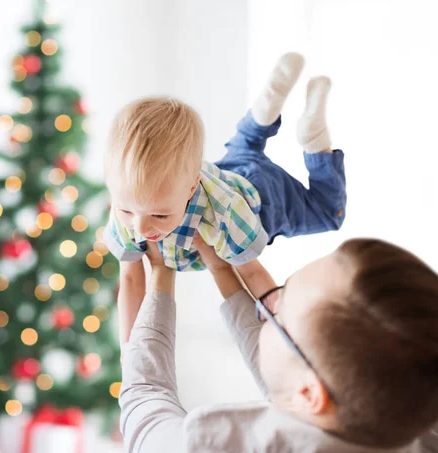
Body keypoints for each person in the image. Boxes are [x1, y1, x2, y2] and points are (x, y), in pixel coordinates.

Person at [118, 236, 438, 453]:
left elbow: (144, 398)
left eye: (278, 312)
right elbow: (303, 369)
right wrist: (223, 270)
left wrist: (159, 273)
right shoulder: (435, 438)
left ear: (309, 392)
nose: (267, 306)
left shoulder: (215, 450)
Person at [103, 52, 346, 344]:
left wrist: (283, 329)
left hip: (266, 201)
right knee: (243, 147)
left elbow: (253, 274)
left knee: (327, 214)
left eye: (159, 215)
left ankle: (315, 140)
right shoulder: (133, 199)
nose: (140, 228)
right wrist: (128, 354)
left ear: (191, 189)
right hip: (229, 172)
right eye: (126, 210)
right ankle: (265, 107)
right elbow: (129, 278)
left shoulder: (222, 218)